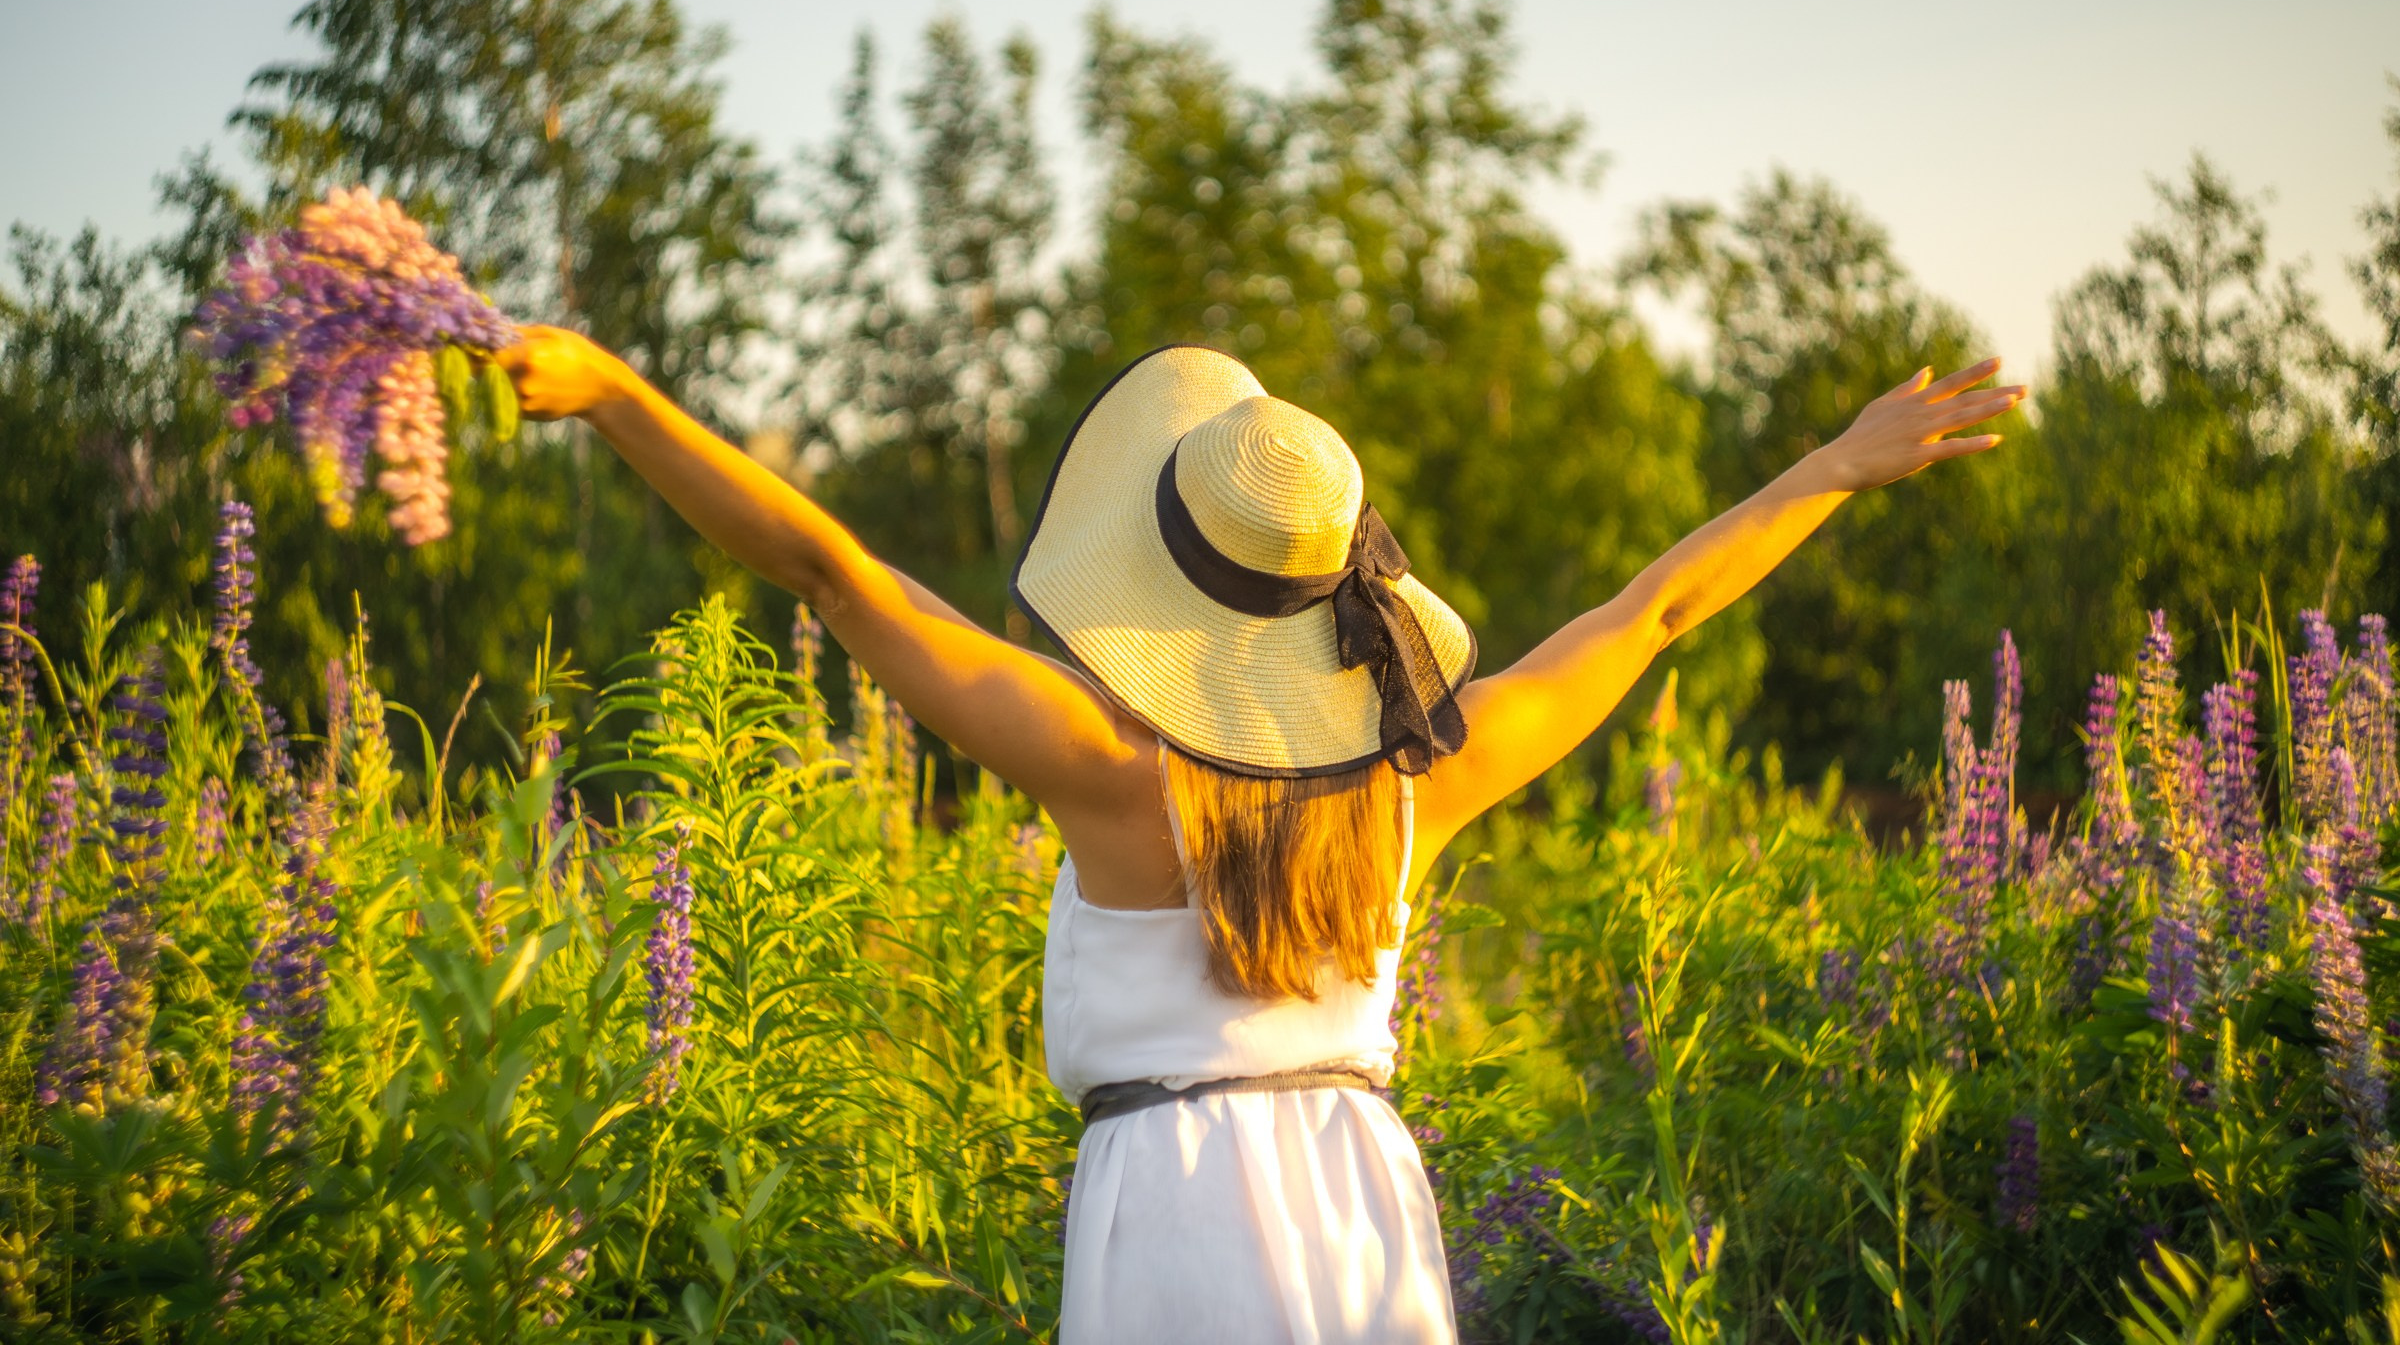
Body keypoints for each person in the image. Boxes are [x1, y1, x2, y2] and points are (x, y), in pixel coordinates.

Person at [500, 332, 2022, 1344]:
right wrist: (1830, 464)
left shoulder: (1110, 771)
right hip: (1366, 1194)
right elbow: (1655, 609)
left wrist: (618, 394)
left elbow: (837, 576)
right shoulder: (1422, 773)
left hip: (1170, 1209)